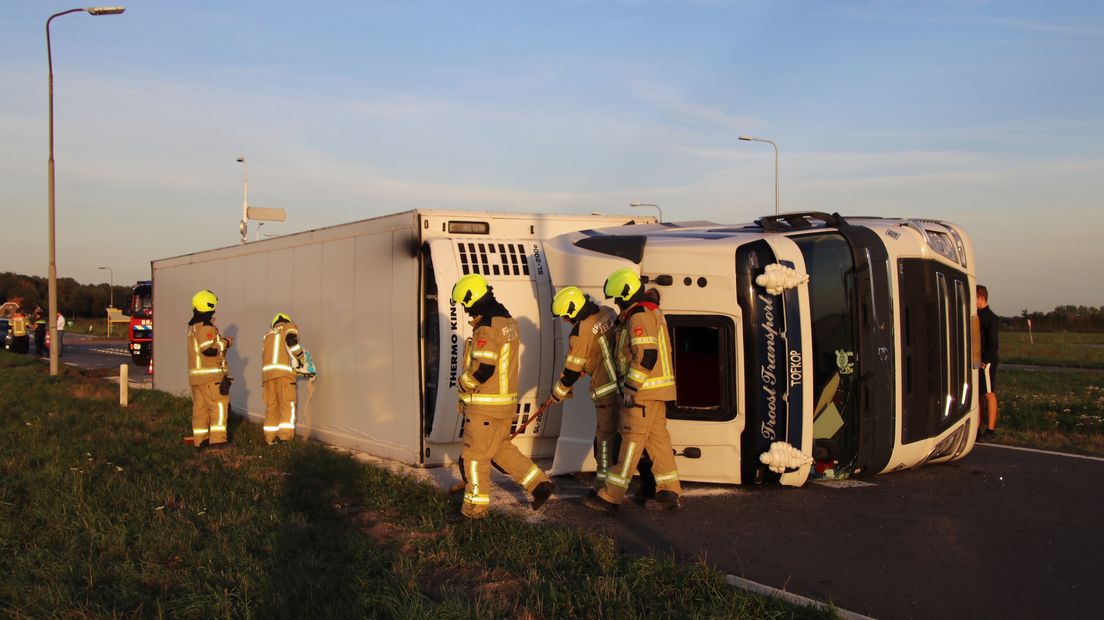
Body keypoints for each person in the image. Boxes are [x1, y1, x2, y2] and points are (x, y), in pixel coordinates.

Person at [452, 273, 553, 519]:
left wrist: (463, 385)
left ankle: (474, 512)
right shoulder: (508, 322)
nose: (466, 310)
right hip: (503, 405)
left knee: (475, 458)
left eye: (466, 304)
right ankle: (540, 485)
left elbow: (483, 368)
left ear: (472, 298)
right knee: (500, 450)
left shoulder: (487, 327)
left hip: (484, 406)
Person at [583, 268, 681, 514]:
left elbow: (646, 355)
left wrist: (630, 388)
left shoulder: (638, 317)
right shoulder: (650, 311)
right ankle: (669, 491)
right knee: (658, 442)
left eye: (618, 299)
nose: (617, 304)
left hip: (642, 393)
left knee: (630, 444)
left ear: (626, 295)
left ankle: (611, 497)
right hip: (656, 391)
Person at [548, 286, 620, 492]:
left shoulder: (580, 333)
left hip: (607, 390)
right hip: (627, 386)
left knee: (605, 440)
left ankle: (603, 485)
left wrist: (557, 394)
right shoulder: (608, 312)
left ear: (572, 311)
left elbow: (570, 372)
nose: (564, 321)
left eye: (564, 316)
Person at [186, 290, 233, 449]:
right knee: (218, 407)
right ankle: (218, 441)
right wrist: (225, 342)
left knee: (200, 410)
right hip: (211, 378)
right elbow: (208, 349)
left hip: (196, 378)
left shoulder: (193, 327)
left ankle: (201, 441)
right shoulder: (206, 327)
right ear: (210, 306)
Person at [261, 312, 306, 445]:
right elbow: (291, 341)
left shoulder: (267, 335)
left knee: (272, 407)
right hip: (284, 376)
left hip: (268, 377)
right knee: (287, 406)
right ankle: (285, 438)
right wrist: (301, 359)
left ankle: (270, 438)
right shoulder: (289, 327)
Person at [977, 285, 1000, 441]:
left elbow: (993, 343)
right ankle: (977, 428)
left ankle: (990, 430)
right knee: (977, 395)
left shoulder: (991, 318)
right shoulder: (975, 315)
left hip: (987, 362)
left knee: (988, 394)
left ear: (981, 298)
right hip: (976, 361)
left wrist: (986, 361)